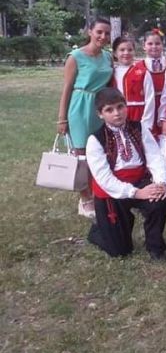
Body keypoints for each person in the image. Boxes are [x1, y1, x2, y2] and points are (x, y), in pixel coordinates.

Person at [85, 87, 166, 260]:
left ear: (126, 106)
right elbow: (104, 178)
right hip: (111, 190)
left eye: (120, 107)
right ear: (100, 114)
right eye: (109, 110)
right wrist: (136, 193)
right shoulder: (95, 140)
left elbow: (155, 156)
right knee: (120, 251)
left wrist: (160, 182)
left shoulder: (139, 128)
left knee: (159, 202)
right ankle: (98, 230)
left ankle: (155, 247)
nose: (117, 113)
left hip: (139, 180)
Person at [57, 17, 113, 219]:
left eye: (107, 33)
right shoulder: (75, 57)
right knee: (81, 156)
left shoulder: (108, 57)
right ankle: (85, 198)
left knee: (99, 152)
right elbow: (67, 88)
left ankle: (99, 192)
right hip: (80, 107)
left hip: (100, 108)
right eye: (99, 32)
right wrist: (62, 118)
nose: (103, 36)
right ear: (90, 32)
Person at [111, 36, 155, 133]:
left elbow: (150, 99)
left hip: (138, 115)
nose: (126, 53)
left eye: (130, 50)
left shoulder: (142, 72)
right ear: (115, 53)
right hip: (118, 115)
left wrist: (146, 124)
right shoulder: (112, 73)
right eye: (122, 50)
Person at [135, 28, 166, 138]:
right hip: (147, 107)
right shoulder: (138, 67)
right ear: (144, 46)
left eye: (157, 43)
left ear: (163, 45)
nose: (154, 47)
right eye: (150, 44)